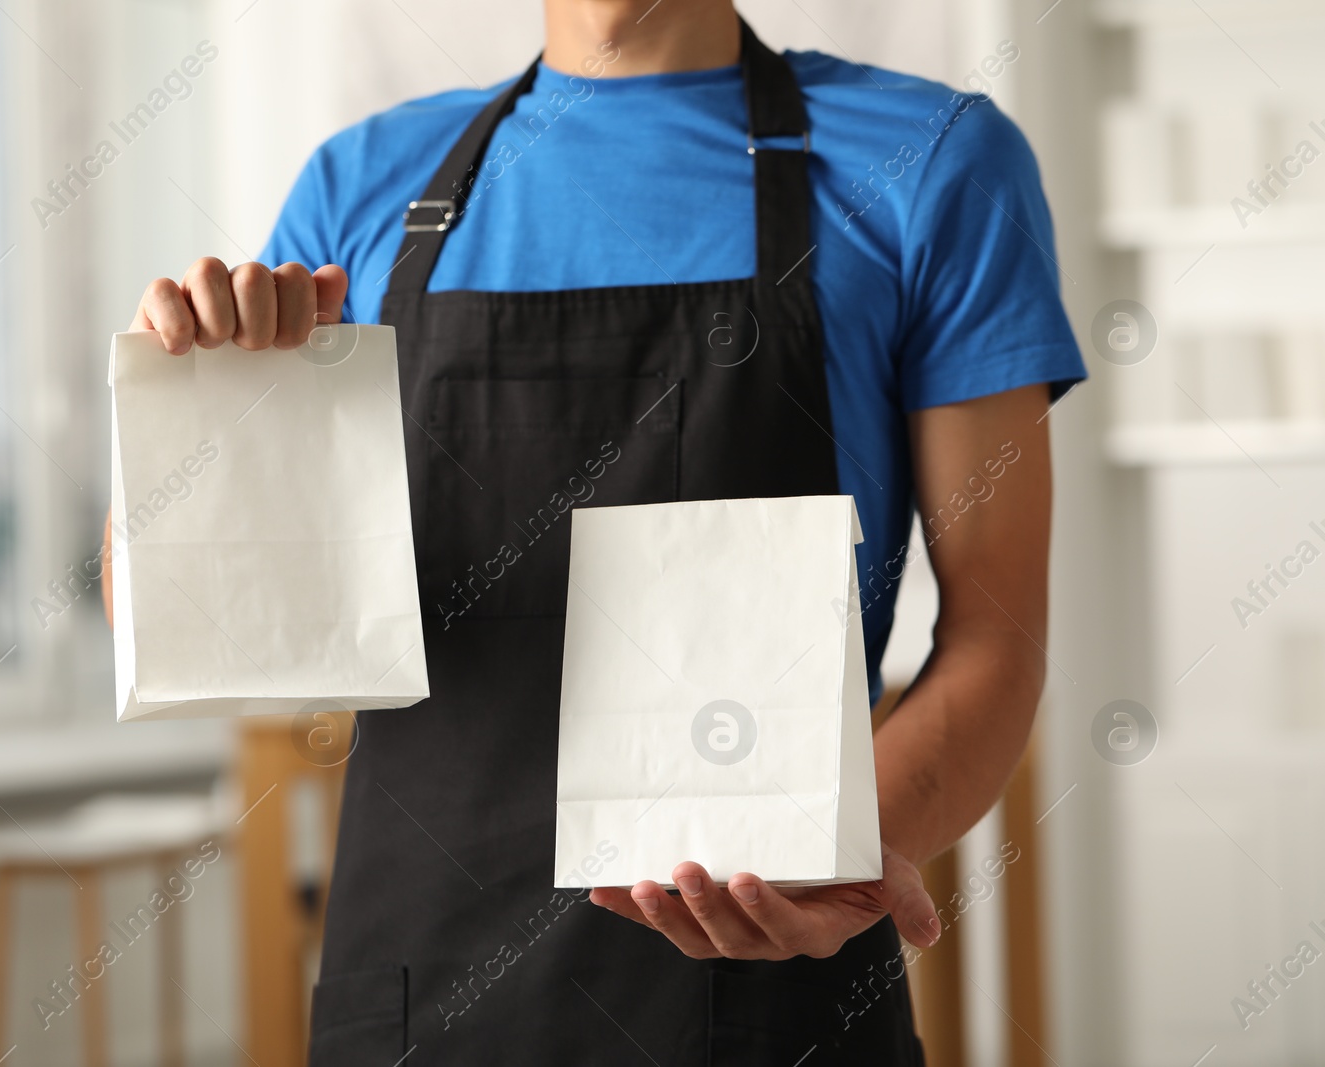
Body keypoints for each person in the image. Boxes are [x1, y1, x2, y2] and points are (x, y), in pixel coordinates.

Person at [105, 0, 1085, 1061]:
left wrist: (851, 854)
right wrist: (195, 393)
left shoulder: (932, 162)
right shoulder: (361, 184)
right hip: (417, 1001)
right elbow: (192, 623)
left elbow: (995, 634)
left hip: (763, 990)